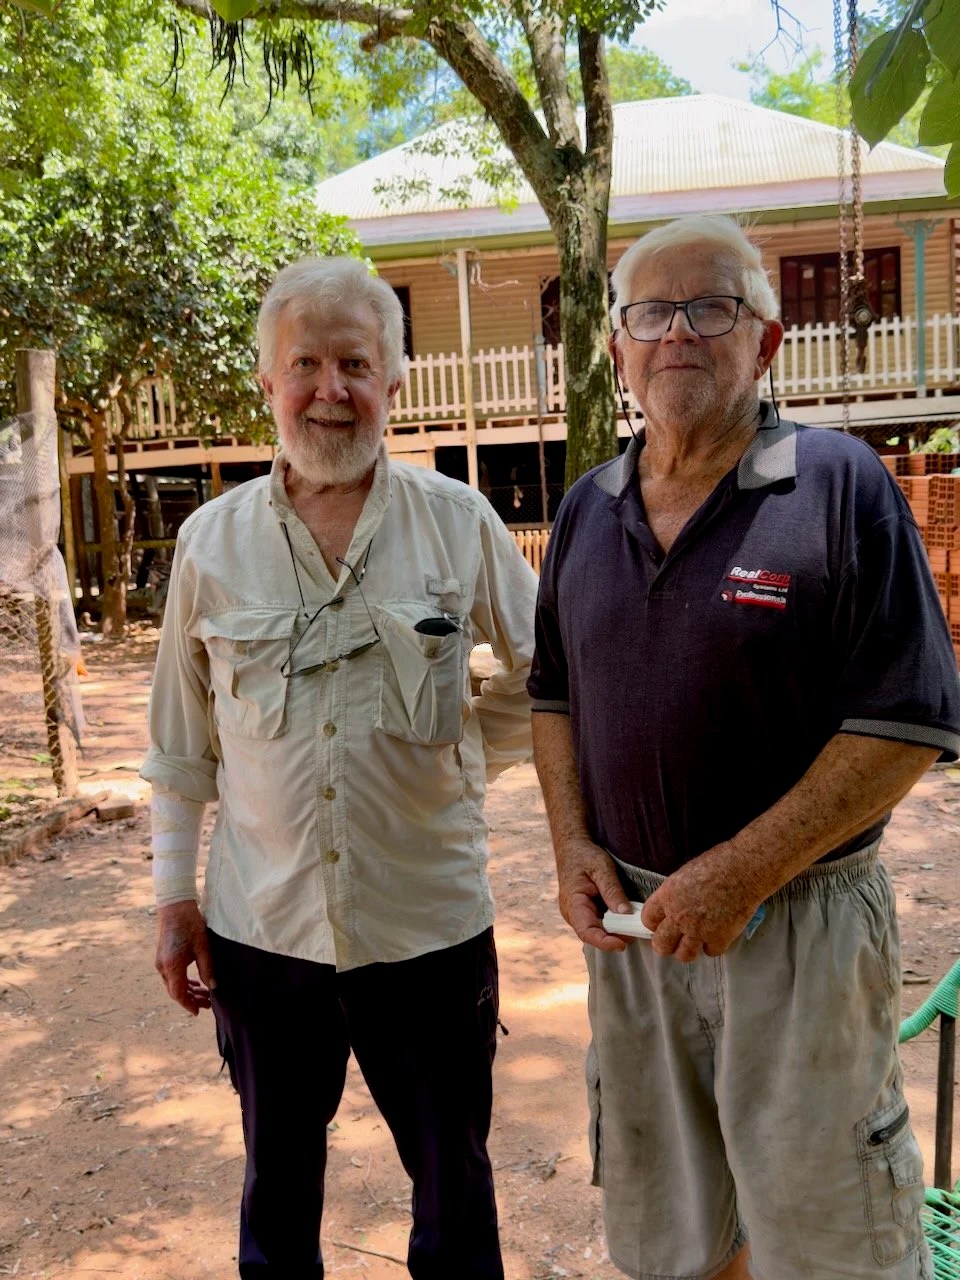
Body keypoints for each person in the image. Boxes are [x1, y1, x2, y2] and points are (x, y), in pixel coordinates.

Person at [527, 213, 960, 1280]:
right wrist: (571, 844)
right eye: (651, 313)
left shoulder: (840, 485)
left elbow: (908, 721)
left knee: (829, 1234)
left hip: (801, 924)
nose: (678, 332)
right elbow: (552, 696)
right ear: (619, 347)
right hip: (635, 931)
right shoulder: (587, 508)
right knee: (674, 1229)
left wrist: (744, 868)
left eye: (711, 307)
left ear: (765, 342)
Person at [141, 257, 538, 1280]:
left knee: (456, 1193)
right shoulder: (210, 543)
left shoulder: (459, 522)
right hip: (261, 928)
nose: (331, 389)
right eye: (305, 363)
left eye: (355, 363)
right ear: (266, 383)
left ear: (394, 382)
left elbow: (547, 677)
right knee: (277, 1197)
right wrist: (171, 898)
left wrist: (461, 762)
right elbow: (183, 738)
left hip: (431, 923)